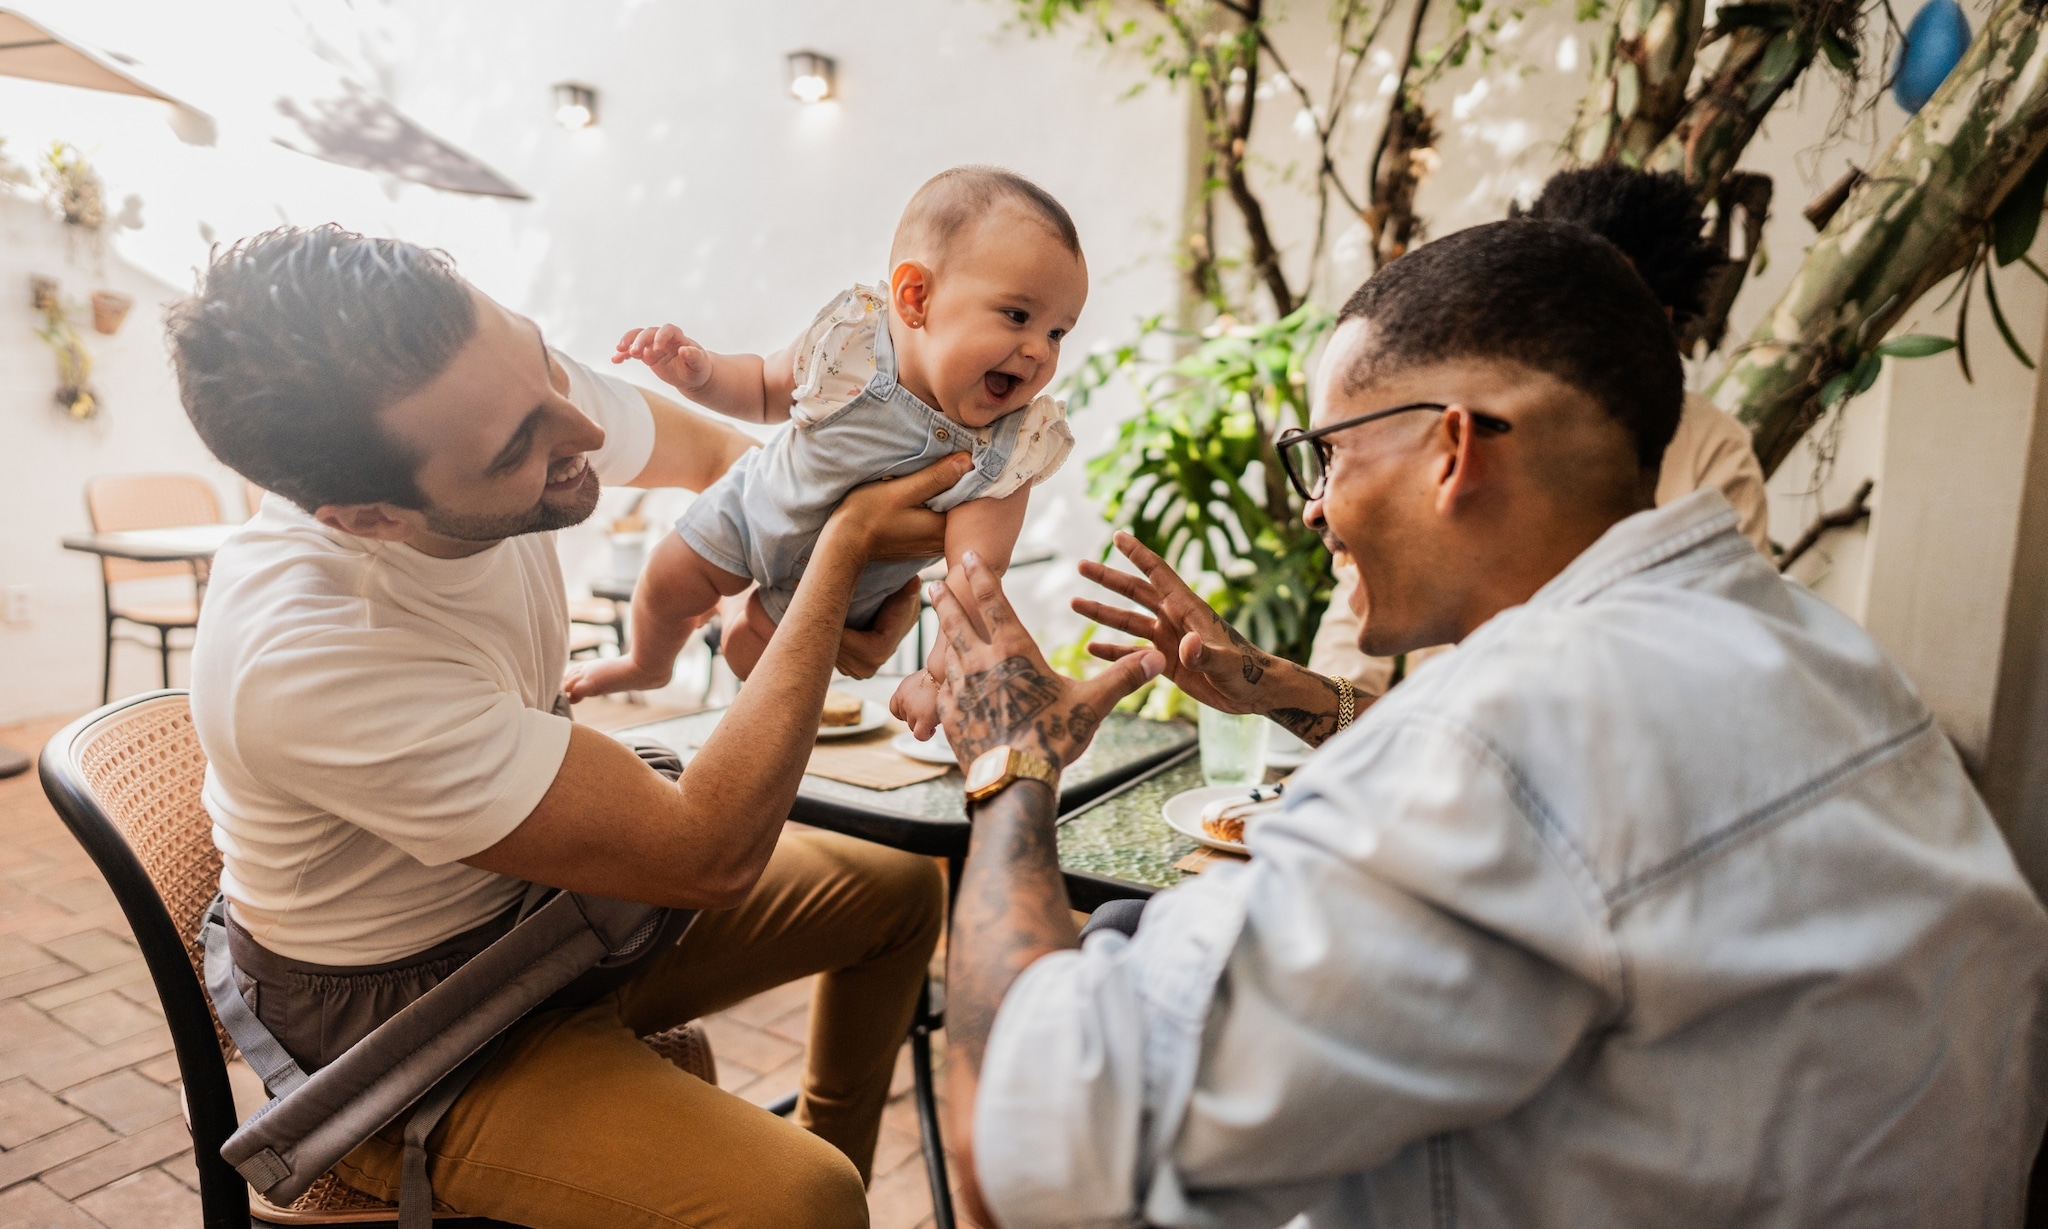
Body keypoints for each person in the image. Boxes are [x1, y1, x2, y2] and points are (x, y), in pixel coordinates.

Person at [924, 220, 2048, 1227]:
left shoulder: (1508, 732)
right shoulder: (1830, 658)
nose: (1313, 504)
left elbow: (1026, 1154)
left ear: (1450, 448)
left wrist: (1008, 769)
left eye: (1326, 453)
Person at [169, 224, 957, 1228]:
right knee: (799, 1198)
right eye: (516, 451)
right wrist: (838, 558)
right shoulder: (305, 655)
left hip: (550, 909)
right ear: (367, 516)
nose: (578, 430)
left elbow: (732, 461)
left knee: (890, 891)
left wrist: (781, 590)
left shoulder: (496, 390)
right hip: (412, 1022)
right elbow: (705, 856)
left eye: (545, 364)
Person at [564, 165, 1082, 739]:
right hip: (751, 510)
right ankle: (646, 663)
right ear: (916, 297)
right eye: (1018, 316)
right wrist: (700, 373)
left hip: (842, 588)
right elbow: (763, 385)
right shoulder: (852, 344)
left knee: (751, 657)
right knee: (665, 577)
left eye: (1058, 333)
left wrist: (938, 677)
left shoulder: (1012, 446)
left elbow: (974, 578)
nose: (1038, 351)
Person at [1311, 164, 1770, 696]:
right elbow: (1353, 635)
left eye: (1606, 302)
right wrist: (1283, 694)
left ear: (1660, 320)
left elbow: (1722, 660)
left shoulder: (1715, 450)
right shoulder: (1425, 444)